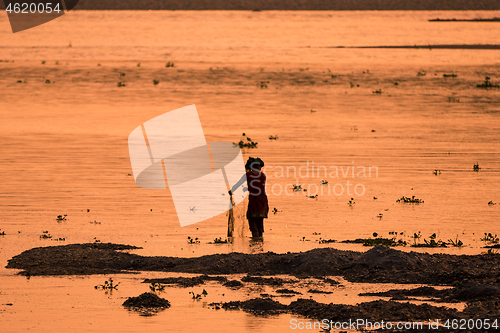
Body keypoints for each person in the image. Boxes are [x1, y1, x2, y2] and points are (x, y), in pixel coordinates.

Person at [229, 157, 269, 238]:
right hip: (263, 200)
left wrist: (232, 191)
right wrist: (247, 188)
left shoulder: (248, 175)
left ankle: (255, 240)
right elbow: (258, 187)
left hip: (254, 200)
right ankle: (259, 241)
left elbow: (238, 184)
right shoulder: (263, 175)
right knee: (260, 221)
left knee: (252, 219)